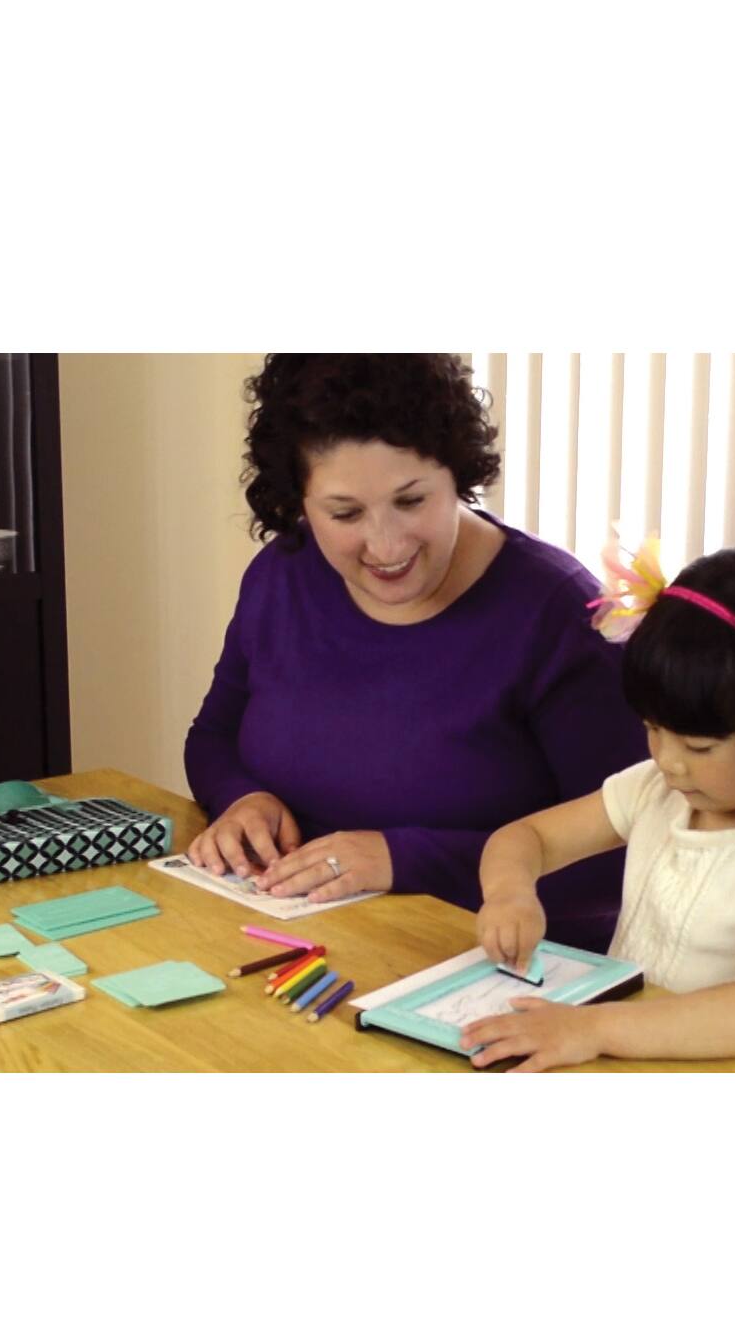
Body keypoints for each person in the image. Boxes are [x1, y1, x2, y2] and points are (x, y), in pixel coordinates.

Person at [183, 354, 647, 952]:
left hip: (494, 965)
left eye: (411, 502)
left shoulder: (557, 615)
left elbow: (630, 853)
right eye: (345, 513)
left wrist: (403, 860)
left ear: (457, 473)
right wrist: (240, 798)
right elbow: (213, 737)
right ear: (299, 500)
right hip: (300, 938)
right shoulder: (283, 575)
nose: (386, 545)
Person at [462, 541, 735, 1071]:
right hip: (625, 1062)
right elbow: (527, 838)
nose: (667, 760)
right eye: (652, 728)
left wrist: (594, 1028)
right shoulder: (656, 793)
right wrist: (510, 894)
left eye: (699, 747)